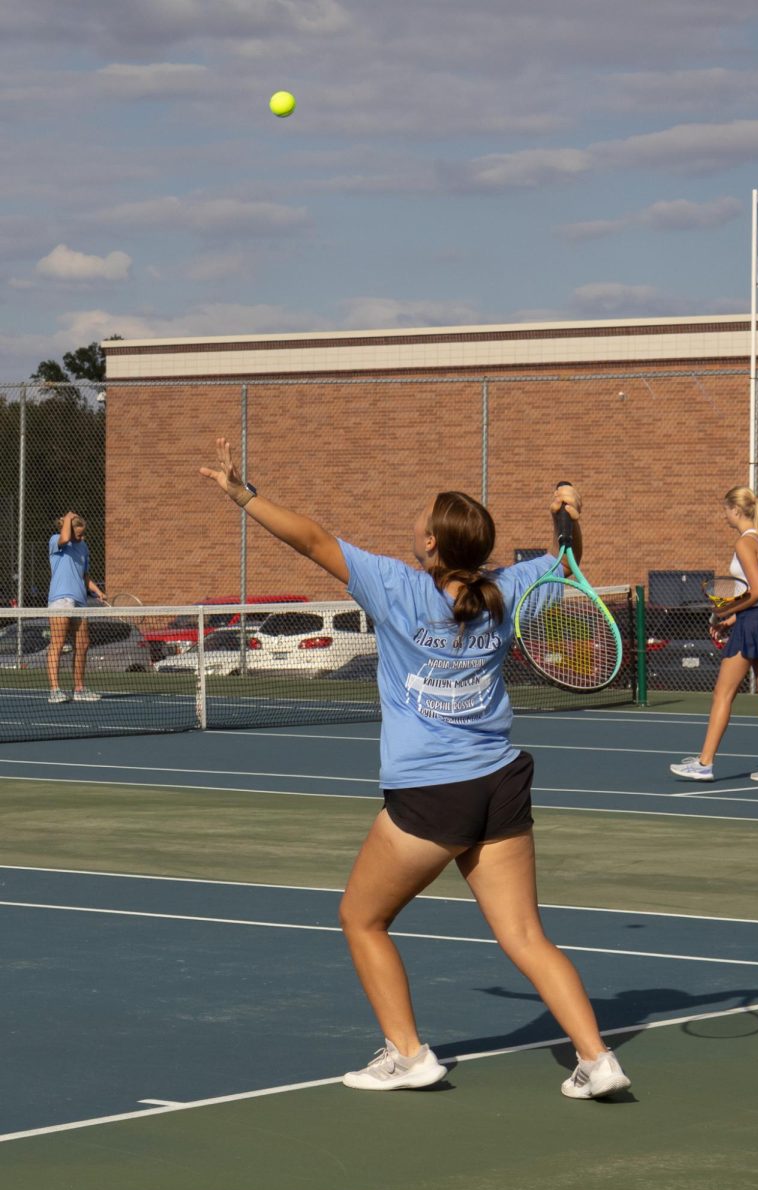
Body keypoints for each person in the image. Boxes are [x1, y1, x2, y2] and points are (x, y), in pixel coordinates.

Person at [200, 438, 631, 1101]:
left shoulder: (394, 586)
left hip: (433, 792)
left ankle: (409, 1055)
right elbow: (567, 557)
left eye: (422, 516)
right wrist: (566, 514)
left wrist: (242, 494)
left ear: (432, 544)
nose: (415, 520)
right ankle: (598, 1059)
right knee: (523, 935)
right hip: (500, 781)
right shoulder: (512, 591)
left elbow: (309, 539)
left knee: (361, 918)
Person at [670, 486, 758, 784]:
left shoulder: (744, 543)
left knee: (722, 693)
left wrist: (726, 612)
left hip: (755, 622)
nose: (724, 514)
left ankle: (704, 763)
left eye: (726, 509)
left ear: (736, 511)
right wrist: (735, 616)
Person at [46, 511, 106, 703]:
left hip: (80, 601)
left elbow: (84, 575)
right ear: (70, 531)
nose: (82, 537)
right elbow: (65, 537)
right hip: (61, 600)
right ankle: (55, 690)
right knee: (58, 643)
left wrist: (97, 591)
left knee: (83, 644)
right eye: (78, 534)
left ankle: (79, 689)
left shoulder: (83, 547)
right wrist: (69, 519)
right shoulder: (56, 540)